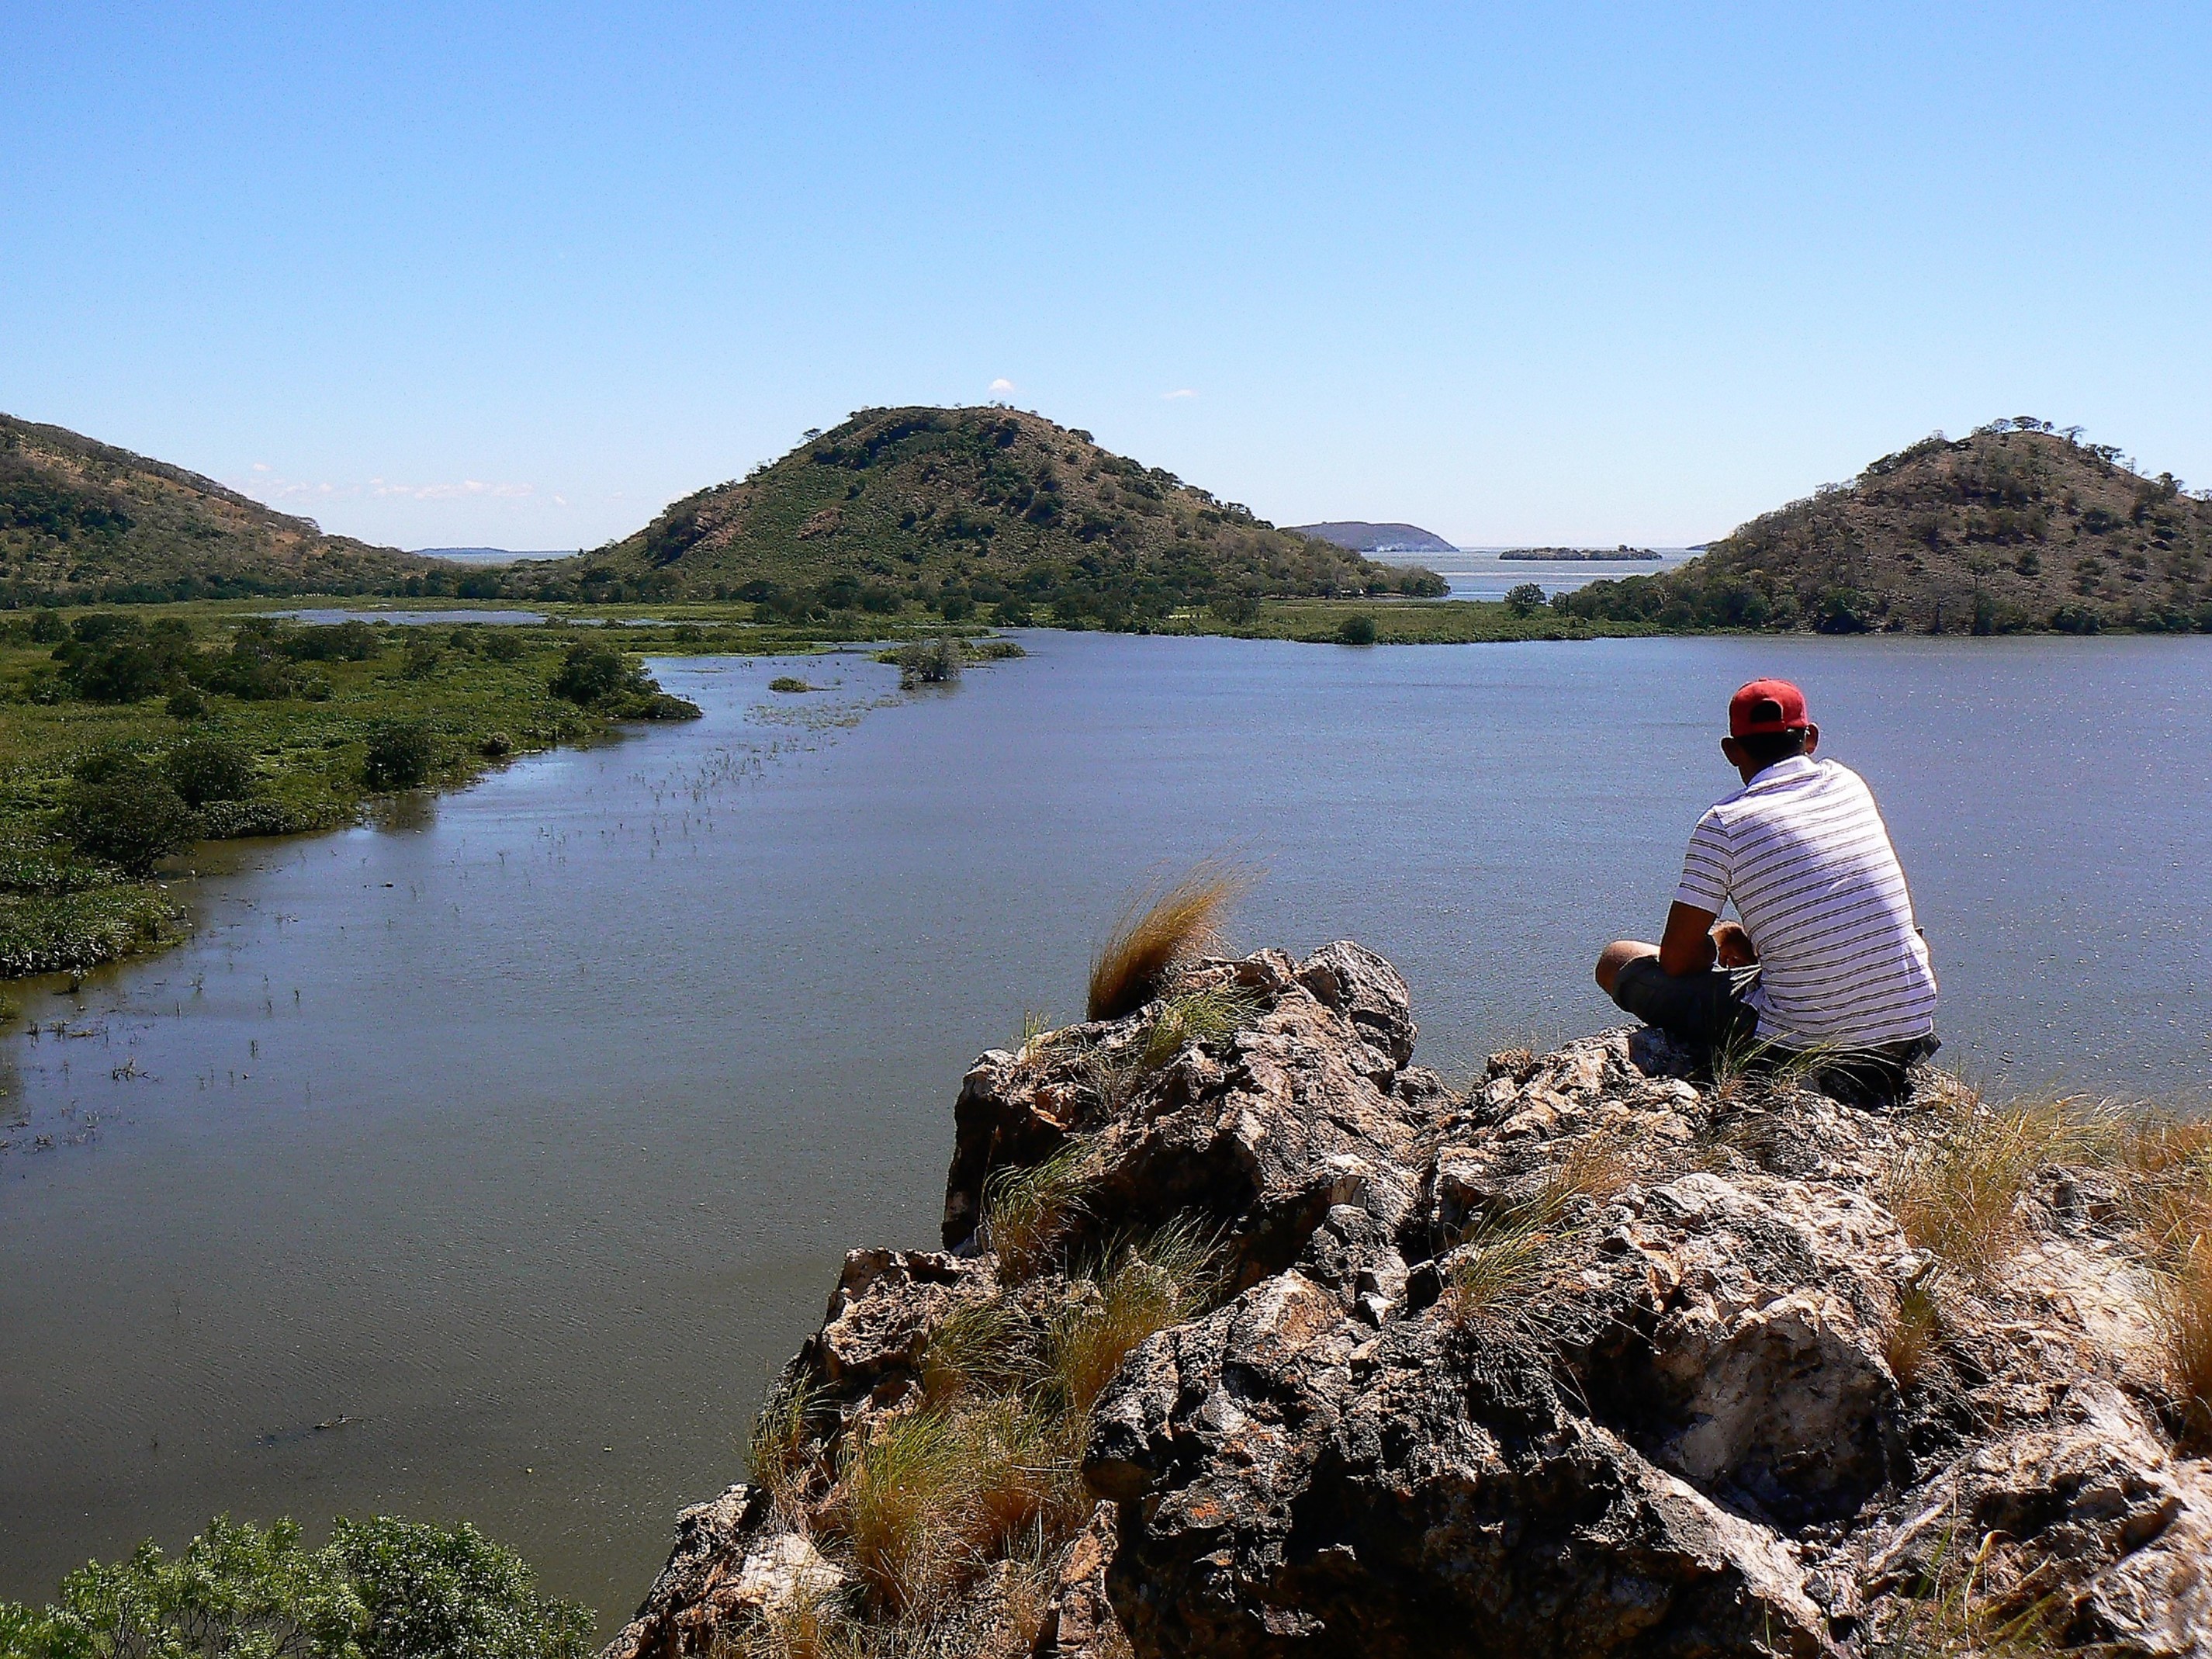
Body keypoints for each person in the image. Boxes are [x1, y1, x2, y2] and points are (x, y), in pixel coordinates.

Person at [1594, 677, 1937, 1100]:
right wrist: (1750, 939)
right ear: (1810, 738)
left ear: (1730, 750)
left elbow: (1679, 961)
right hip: (1905, 1027)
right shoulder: (1850, 784)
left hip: (1805, 1044)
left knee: (1618, 958)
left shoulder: (1724, 824)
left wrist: (1718, 938)